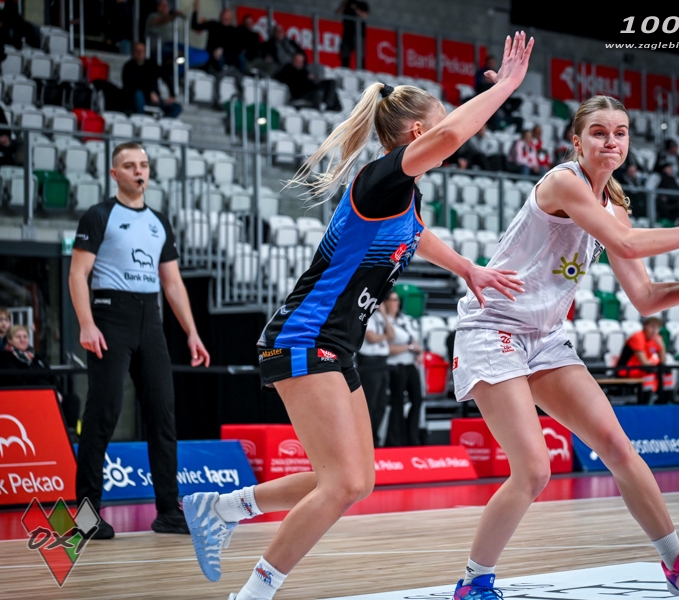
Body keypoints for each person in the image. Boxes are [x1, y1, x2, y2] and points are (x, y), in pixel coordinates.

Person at [182, 31, 533, 600]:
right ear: (417, 133)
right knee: (342, 483)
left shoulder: (404, 197)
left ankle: (222, 508)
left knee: (356, 480)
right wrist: (507, 87)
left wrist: (467, 268)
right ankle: (252, 595)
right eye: (439, 124)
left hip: (335, 344)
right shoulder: (381, 178)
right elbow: (451, 134)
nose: (449, 133)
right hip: (304, 335)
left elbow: (417, 236)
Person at [450, 94, 679, 600]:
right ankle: (474, 581)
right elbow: (627, 244)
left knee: (617, 446)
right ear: (577, 141)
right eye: (599, 132)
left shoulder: (615, 207)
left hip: (545, 338)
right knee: (534, 470)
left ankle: (678, 566)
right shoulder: (563, 182)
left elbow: (646, 297)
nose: (612, 141)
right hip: (493, 327)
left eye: (621, 132)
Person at [69, 141, 210, 540]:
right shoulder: (99, 215)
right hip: (110, 317)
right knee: (102, 415)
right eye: (130, 166)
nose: (139, 171)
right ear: (115, 174)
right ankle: (86, 518)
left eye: (144, 165)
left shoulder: (159, 221)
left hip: (151, 321)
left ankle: (167, 511)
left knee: (163, 416)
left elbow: (172, 283)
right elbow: (77, 274)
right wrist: (86, 324)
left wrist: (192, 332)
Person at [0, 324, 81, 429]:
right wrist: (41, 391)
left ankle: (70, 432)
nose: (22, 340)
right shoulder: (5, 357)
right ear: (10, 340)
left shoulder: (35, 356)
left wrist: (57, 391)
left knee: (72, 400)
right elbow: (16, 379)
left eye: (25, 337)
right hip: (26, 395)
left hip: (47, 392)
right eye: (18, 337)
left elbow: (51, 375)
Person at [384, 290, 424, 447]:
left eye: (397, 300)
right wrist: (409, 347)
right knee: (398, 402)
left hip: (410, 364)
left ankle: (412, 437)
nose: (395, 303)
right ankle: (395, 440)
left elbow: (415, 341)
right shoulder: (384, 321)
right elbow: (387, 348)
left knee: (417, 399)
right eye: (392, 300)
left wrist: (415, 350)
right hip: (395, 365)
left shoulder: (405, 320)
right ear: (386, 303)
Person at [357, 300, 393, 446]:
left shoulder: (380, 317)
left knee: (381, 405)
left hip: (382, 363)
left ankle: (375, 439)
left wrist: (384, 314)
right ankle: (365, 441)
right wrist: (385, 336)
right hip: (369, 363)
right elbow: (371, 338)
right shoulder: (366, 316)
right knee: (369, 404)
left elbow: (392, 334)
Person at [616, 316, 672, 403]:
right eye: (652, 327)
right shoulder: (638, 337)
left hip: (641, 369)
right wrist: (654, 365)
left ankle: (665, 399)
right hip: (626, 369)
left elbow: (663, 361)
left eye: (657, 328)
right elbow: (644, 362)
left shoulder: (657, 339)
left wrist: (662, 346)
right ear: (645, 326)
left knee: (666, 370)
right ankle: (645, 402)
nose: (654, 331)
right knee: (649, 371)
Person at [122, 41, 182, 117]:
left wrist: (172, 95)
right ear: (133, 52)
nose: (140, 53)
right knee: (138, 93)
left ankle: (161, 122)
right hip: (135, 100)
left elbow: (166, 77)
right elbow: (131, 85)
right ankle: (141, 118)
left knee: (177, 107)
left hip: (154, 100)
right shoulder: (128, 67)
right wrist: (149, 92)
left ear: (145, 52)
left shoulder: (151, 65)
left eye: (142, 51)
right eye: (137, 51)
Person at [274, 52, 341, 112]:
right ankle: (320, 110)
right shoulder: (288, 69)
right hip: (300, 93)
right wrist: (306, 78)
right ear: (293, 60)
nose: (300, 63)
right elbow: (295, 82)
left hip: (310, 89)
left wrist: (313, 80)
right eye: (298, 61)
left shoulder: (303, 70)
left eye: (301, 61)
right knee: (319, 92)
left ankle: (332, 106)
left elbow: (309, 83)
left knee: (331, 83)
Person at [190, 0, 243, 74]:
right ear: (220, 16)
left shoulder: (234, 31)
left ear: (231, 18)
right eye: (224, 16)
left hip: (228, 56)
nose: (225, 18)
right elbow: (195, 26)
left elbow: (238, 48)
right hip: (212, 56)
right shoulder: (213, 24)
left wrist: (223, 50)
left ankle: (240, 76)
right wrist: (195, 10)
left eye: (228, 17)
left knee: (241, 58)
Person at [337, 0, 369, 68]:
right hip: (347, 34)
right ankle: (345, 70)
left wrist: (356, 9)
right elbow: (337, 14)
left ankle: (361, 71)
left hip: (358, 34)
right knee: (345, 55)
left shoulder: (362, 4)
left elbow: (365, 16)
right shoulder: (347, 4)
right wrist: (344, 3)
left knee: (360, 56)